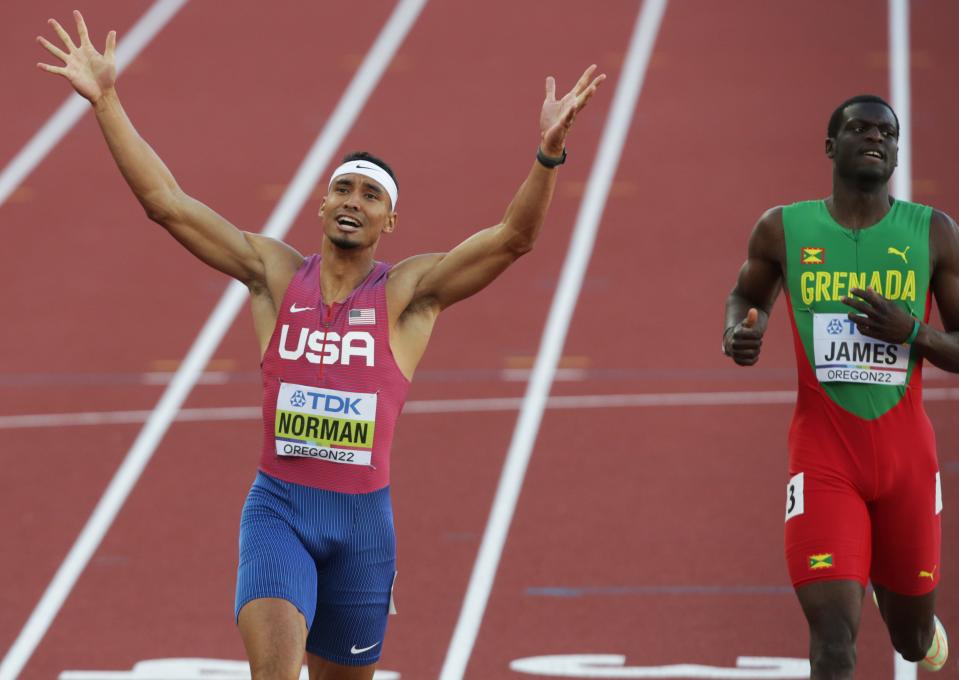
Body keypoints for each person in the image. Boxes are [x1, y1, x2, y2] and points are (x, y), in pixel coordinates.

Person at [37, 11, 605, 680]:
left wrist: (546, 155)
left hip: (363, 530)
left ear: (389, 220)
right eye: (342, 187)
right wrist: (106, 102)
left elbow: (513, 238)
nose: (352, 201)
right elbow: (168, 203)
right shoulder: (275, 275)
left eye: (369, 195)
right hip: (279, 511)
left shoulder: (408, 294)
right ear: (319, 202)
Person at [723, 93, 956, 678]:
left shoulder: (934, 235)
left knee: (910, 640)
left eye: (887, 132)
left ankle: (912, 617)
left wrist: (913, 332)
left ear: (897, 153)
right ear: (831, 145)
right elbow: (746, 299)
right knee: (833, 641)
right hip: (824, 460)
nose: (875, 137)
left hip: (906, 462)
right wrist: (738, 333)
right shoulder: (784, 229)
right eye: (859, 128)